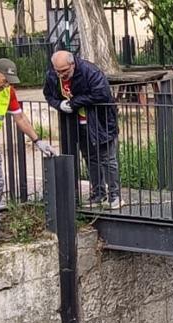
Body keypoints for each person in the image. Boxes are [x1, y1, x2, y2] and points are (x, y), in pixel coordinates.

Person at [0, 58, 55, 245]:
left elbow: (20, 117)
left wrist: (37, 140)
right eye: (5, 79)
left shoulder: (7, 91)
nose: (7, 84)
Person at [44, 50, 121, 209]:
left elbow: (102, 94)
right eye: (58, 71)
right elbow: (48, 95)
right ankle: (98, 193)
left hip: (99, 121)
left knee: (107, 159)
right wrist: (59, 105)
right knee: (90, 158)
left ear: (72, 64)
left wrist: (74, 102)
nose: (61, 75)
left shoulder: (90, 71)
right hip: (74, 123)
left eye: (64, 71)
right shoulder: (53, 75)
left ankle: (115, 195)